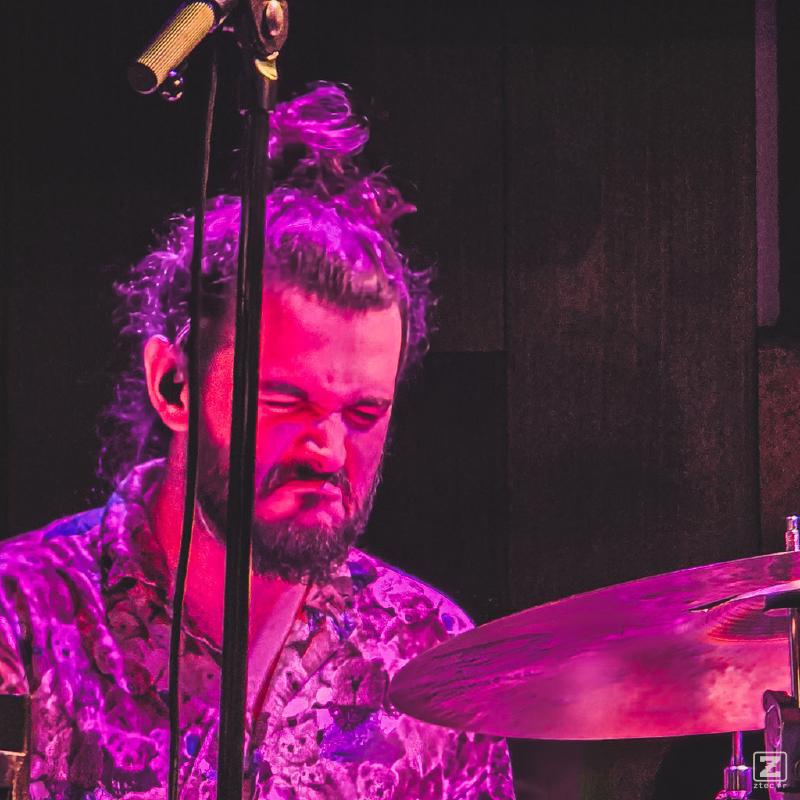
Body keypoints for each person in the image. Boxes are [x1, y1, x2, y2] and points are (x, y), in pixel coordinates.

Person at [0, 84, 515, 799]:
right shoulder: (21, 618)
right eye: (286, 402)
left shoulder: (428, 652)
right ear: (173, 386)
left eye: (363, 413)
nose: (328, 450)